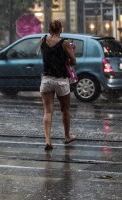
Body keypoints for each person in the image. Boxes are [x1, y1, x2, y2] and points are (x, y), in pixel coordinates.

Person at [40, 20, 77, 151]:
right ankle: (67, 136)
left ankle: (48, 140)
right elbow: (73, 61)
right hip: (61, 80)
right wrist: (68, 57)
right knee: (65, 109)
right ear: (60, 29)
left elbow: (46, 56)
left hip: (46, 79)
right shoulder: (65, 42)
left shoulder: (43, 40)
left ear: (49, 29)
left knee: (48, 111)